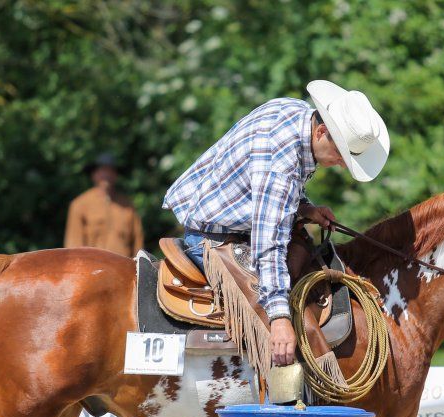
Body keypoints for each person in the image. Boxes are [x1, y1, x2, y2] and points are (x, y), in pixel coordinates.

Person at [162, 80, 390, 367]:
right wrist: (280, 317)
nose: (343, 165)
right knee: (274, 339)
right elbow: (268, 244)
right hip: (216, 239)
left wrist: (305, 208)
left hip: (224, 218)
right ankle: (277, 401)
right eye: (342, 155)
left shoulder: (293, 110)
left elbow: (264, 190)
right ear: (321, 131)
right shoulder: (280, 163)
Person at [64, 153, 144, 258]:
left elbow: (138, 243)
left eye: (111, 171)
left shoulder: (128, 206)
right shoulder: (79, 205)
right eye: (102, 170)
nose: (106, 175)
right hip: (91, 270)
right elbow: (73, 245)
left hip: (123, 271)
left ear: (116, 175)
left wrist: (139, 268)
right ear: (94, 175)